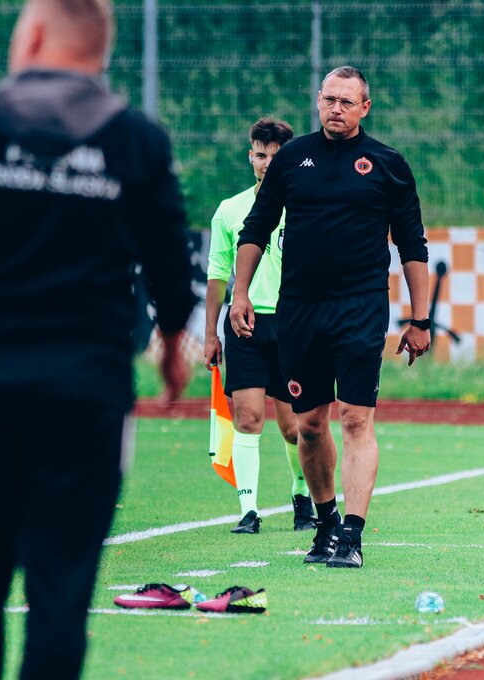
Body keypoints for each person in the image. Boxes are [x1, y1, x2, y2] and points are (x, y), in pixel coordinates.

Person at [0, 0, 196, 677]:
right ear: (102, 47)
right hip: (86, 391)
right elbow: (169, 260)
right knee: (61, 590)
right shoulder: (137, 139)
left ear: (32, 34)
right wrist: (172, 350)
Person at [230, 66, 431, 569]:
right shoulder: (292, 158)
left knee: (356, 418)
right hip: (299, 310)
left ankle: (353, 536)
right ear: (318, 101)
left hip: (361, 308)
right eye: (328, 99)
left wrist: (421, 319)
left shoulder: (387, 164)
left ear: (365, 107)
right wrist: (240, 294)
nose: (335, 109)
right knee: (310, 425)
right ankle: (325, 524)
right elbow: (256, 228)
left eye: (346, 101)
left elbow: (412, 245)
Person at [203, 117, 316, 534]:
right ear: (250, 157)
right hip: (244, 324)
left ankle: (301, 494)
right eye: (260, 155)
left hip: (293, 326)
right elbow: (218, 274)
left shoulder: (306, 206)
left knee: (295, 427)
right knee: (248, 419)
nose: (267, 163)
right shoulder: (229, 210)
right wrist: (210, 334)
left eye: (275, 156)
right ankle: (248, 511)